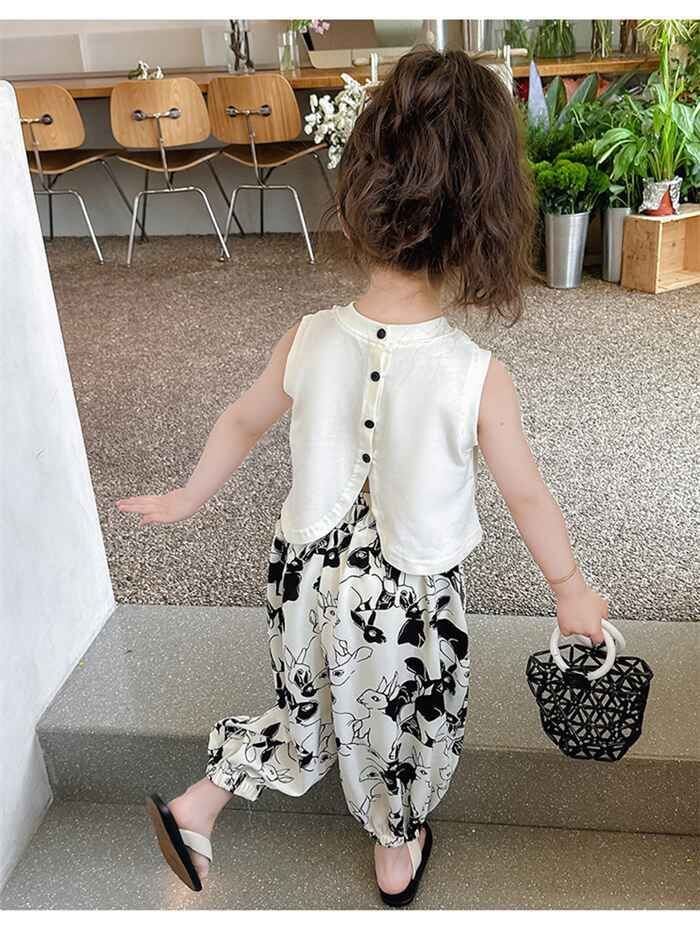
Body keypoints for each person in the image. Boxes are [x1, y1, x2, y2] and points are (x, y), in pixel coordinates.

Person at [116, 48, 608, 907]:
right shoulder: (476, 375)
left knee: (307, 705)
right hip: (407, 599)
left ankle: (201, 802)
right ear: (486, 219)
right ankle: (394, 848)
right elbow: (527, 494)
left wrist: (189, 494)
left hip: (303, 575)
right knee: (406, 725)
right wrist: (570, 590)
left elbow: (241, 419)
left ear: (363, 194)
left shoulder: (308, 336)